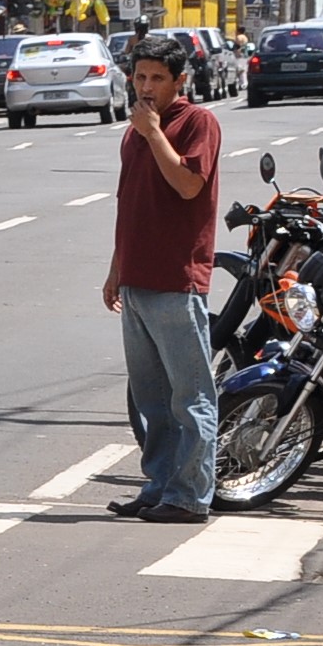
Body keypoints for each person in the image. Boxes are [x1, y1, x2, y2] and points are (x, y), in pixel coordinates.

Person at [103, 34, 222, 525]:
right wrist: (115, 270)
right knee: (150, 398)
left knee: (189, 395)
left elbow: (188, 184)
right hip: (136, 278)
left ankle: (191, 495)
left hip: (176, 278)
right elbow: (128, 202)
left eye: (157, 78)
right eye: (140, 77)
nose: (147, 87)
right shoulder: (134, 131)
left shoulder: (196, 122)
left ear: (180, 81)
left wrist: (155, 134)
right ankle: (160, 485)